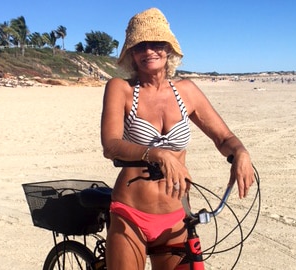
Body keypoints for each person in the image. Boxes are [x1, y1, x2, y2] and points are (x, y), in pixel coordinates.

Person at [100, 7, 254, 270]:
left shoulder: (187, 91)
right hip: (131, 211)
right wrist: (155, 153)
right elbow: (110, 145)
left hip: (176, 216)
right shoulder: (121, 89)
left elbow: (223, 137)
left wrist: (240, 152)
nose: (149, 50)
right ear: (132, 54)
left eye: (156, 43)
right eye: (140, 45)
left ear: (168, 48)